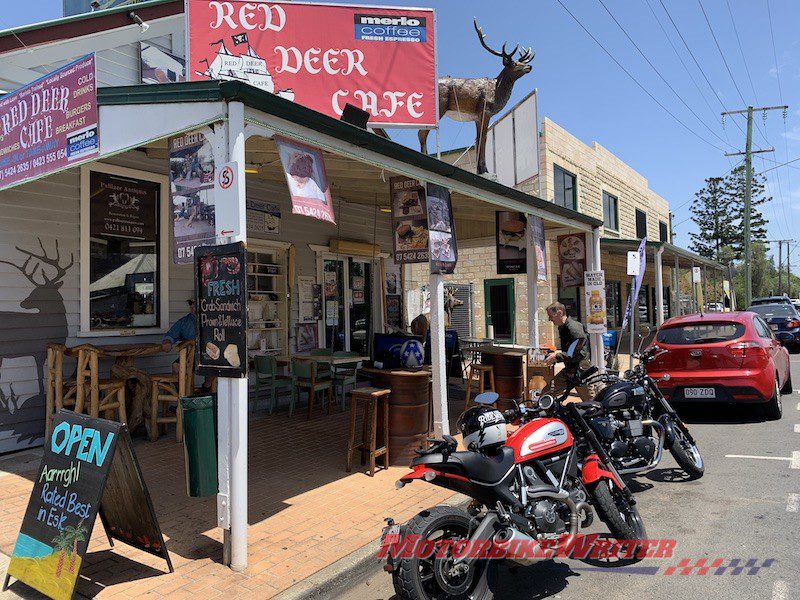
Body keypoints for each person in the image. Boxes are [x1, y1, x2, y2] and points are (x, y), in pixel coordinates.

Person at [542, 301, 592, 401]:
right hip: (570, 368)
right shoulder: (563, 327)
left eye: (551, 316)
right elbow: (570, 351)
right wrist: (556, 354)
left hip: (580, 370)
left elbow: (576, 353)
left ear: (559, 313)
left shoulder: (574, 327)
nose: (549, 319)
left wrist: (557, 357)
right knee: (547, 393)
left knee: (591, 402)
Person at [162, 299, 211, 390]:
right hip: (189, 356)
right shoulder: (185, 321)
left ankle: (206, 388)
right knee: (176, 366)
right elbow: (170, 335)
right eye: (190, 303)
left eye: (195, 303)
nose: (192, 306)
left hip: (209, 356)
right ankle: (182, 393)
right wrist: (167, 342)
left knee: (214, 367)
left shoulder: (213, 318)